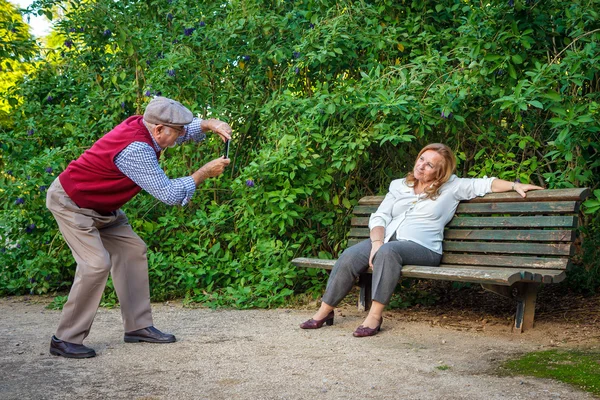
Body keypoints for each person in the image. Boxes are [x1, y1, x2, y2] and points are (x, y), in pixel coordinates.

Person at [46, 96, 231, 358]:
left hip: (103, 207)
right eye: (176, 132)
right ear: (158, 130)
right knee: (96, 264)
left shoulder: (148, 126)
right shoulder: (136, 149)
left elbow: (184, 130)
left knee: (133, 249)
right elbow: (168, 194)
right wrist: (202, 173)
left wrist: (210, 124)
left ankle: (138, 327)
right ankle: (64, 339)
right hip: (72, 203)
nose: (180, 137)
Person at [300, 143, 544, 337]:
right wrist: (376, 243)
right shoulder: (399, 186)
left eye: (430, 165)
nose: (422, 166)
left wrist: (514, 185)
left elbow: (486, 184)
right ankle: (325, 312)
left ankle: (374, 316)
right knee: (350, 255)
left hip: (424, 249)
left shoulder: (453, 186)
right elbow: (380, 217)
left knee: (388, 252)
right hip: (387, 243)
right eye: (421, 160)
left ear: (441, 171)